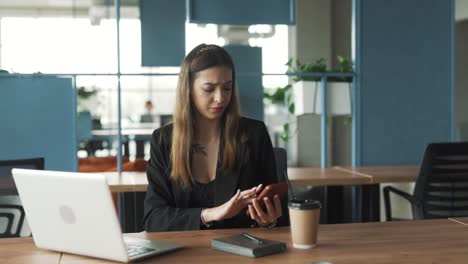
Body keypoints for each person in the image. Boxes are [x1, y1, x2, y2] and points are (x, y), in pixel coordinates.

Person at [143, 44, 287, 231]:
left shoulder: (254, 134)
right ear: (188, 89)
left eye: (227, 88)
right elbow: (154, 219)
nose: (220, 98)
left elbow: (278, 214)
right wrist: (210, 214)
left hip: (241, 253)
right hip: (183, 254)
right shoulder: (163, 140)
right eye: (209, 89)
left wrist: (268, 220)